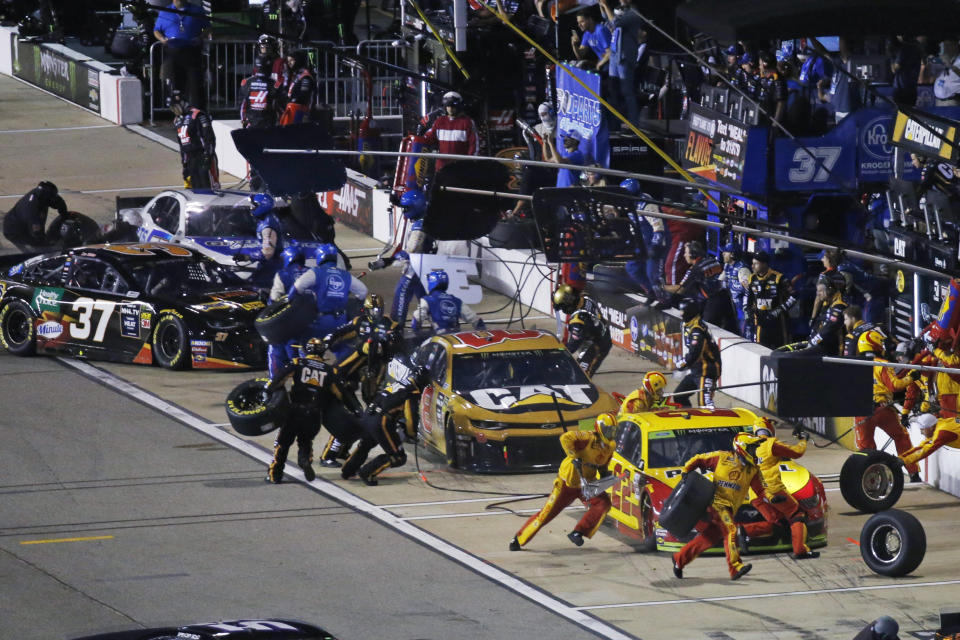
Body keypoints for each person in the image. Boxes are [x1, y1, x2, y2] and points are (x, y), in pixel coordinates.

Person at [510, 413, 617, 551]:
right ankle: (519, 538)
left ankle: (578, 532)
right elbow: (565, 438)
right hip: (567, 483)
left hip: (586, 483)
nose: (611, 434)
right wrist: (573, 454)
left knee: (603, 503)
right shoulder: (587, 438)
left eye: (614, 430)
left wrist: (605, 477)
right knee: (546, 515)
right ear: (600, 428)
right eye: (609, 430)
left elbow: (602, 465)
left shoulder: (610, 447)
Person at [672, 432, 763, 580]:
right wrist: (686, 472)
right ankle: (735, 567)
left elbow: (761, 490)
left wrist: (772, 499)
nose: (755, 452)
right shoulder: (723, 457)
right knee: (731, 529)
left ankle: (679, 559)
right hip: (716, 504)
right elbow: (698, 459)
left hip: (729, 509)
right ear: (743, 448)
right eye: (753, 448)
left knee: (709, 538)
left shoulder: (752, 470)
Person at [263, 337, 354, 484]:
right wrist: (355, 411)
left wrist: (268, 391)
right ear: (323, 352)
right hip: (314, 414)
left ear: (306, 350)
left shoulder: (298, 363)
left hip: (294, 411)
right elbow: (342, 394)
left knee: (283, 444)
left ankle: (275, 475)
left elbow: (279, 379)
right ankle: (305, 459)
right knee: (305, 442)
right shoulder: (329, 370)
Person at [340, 365, 431, 485]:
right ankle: (367, 473)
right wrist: (412, 434)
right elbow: (411, 418)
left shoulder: (398, 384)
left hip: (369, 415)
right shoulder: (412, 392)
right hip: (381, 421)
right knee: (398, 457)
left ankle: (347, 471)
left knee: (365, 445)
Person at [740, 422, 820, 559]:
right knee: (796, 514)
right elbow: (797, 452)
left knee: (777, 523)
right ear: (770, 430)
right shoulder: (771, 444)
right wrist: (803, 440)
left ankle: (745, 531)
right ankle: (800, 550)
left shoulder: (747, 446)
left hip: (755, 494)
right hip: (773, 489)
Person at [853, 327, 923, 482]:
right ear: (875, 343)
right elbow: (895, 385)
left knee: (866, 449)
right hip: (883, 409)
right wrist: (912, 377)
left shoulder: (853, 364)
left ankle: (869, 479)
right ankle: (914, 474)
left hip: (862, 409)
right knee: (901, 437)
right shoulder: (882, 364)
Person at [325, 293, 403, 402]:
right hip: (361, 353)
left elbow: (399, 340)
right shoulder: (360, 321)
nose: (376, 314)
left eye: (378, 310)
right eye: (373, 310)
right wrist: (328, 340)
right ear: (366, 310)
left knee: (371, 393)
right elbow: (341, 332)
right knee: (339, 373)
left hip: (380, 360)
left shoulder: (389, 324)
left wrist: (395, 337)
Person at [288, 243, 368, 342]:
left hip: (320, 321)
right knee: (342, 349)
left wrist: (289, 302)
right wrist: (358, 304)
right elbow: (363, 291)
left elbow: (297, 286)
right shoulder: (345, 275)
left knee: (304, 345)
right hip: (341, 321)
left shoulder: (316, 272)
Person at [662, 241, 736, 332]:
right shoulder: (712, 260)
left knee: (709, 330)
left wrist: (662, 287)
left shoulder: (695, 269)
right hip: (727, 298)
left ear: (692, 254)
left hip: (712, 303)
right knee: (732, 330)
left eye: (686, 253)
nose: (684, 255)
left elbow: (680, 289)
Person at [152, 0, 210, 108]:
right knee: (175, 85)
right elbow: (156, 30)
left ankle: (198, 112)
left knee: (195, 84)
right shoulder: (165, 11)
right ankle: (177, 112)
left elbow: (207, 27)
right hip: (173, 52)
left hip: (192, 52)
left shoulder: (197, 10)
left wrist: (200, 37)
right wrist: (162, 39)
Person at [598, 0, 643, 126]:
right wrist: (601, 5)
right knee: (613, 89)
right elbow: (607, 19)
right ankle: (615, 122)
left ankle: (634, 122)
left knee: (627, 90)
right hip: (614, 55)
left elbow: (616, 23)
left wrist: (606, 5)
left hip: (624, 56)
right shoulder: (621, 11)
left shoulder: (633, 13)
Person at [266, 246, 308, 377]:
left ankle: (276, 380)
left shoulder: (282, 274)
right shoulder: (312, 272)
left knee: (275, 348)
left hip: (288, 321)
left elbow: (274, 299)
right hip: (310, 320)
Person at [672, 298, 721, 409]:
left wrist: (681, 364)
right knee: (679, 396)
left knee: (705, 405)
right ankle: (689, 421)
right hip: (696, 370)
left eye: (682, 311)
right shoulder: (689, 324)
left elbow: (695, 354)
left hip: (707, 371)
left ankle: (712, 425)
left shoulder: (697, 330)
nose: (680, 314)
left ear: (689, 312)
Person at [553, 284, 611, 376]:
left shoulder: (578, 321)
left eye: (563, 307)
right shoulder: (585, 299)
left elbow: (571, 347)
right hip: (600, 335)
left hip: (596, 346)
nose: (563, 310)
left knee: (582, 377)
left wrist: (556, 352)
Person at [168, 90, 219, 190]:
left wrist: (208, 155)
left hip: (203, 156)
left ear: (182, 103)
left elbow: (209, 137)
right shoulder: (177, 121)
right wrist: (185, 164)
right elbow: (182, 145)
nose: (173, 110)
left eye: (175, 107)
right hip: (191, 160)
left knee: (210, 189)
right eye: (171, 108)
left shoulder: (197, 115)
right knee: (195, 190)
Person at [412, 268, 485, 334]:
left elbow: (416, 319)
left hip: (438, 338)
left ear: (431, 283)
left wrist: (417, 333)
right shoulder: (456, 300)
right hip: (455, 337)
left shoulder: (427, 300)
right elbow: (476, 320)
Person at [234, 193, 283, 288]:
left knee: (256, 288)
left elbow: (268, 254)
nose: (251, 208)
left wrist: (246, 257)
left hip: (272, 267)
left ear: (263, 206)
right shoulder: (268, 218)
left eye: (254, 206)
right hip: (273, 264)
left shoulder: (268, 226)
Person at [421, 91, 480, 172]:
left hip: (461, 169)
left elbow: (474, 145)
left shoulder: (467, 122)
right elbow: (429, 138)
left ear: (459, 106)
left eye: (453, 106)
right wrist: (419, 138)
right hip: (441, 168)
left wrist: (469, 163)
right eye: (448, 106)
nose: (450, 109)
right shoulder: (439, 121)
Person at [3, 181, 67, 251]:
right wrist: (47, 246)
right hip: (14, 231)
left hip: (25, 224)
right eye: (52, 198)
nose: (53, 200)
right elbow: (37, 234)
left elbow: (59, 202)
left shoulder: (43, 194)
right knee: (34, 251)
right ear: (46, 198)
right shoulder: (32, 209)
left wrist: (64, 216)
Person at [806, 271, 848, 356]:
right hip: (823, 347)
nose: (818, 294)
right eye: (817, 291)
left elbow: (830, 327)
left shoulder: (839, 305)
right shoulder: (827, 302)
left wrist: (814, 341)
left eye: (821, 291)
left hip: (835, 351)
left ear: (829, 290)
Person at [240, 55, 280, 130]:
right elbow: (278, 105)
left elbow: (242, 104)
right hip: (268, 124)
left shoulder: (246, 82)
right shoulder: (274, 84)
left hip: (251, 123)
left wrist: (243, 119)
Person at [278, 49, 316, 126]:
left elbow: (303, 96)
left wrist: (290, 100)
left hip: (300, 111)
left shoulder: (305, 77)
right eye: (288, 61)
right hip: (291, 110)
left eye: (292, 60)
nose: (289, 63)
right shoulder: (294, 75)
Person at [720, 242, 749, 335]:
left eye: (726, 252)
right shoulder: (727, 266)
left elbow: (749, 290)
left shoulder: (742, 269)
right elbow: (719, 281)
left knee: (744, 334)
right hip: (733, 307)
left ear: (732, 254)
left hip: (742, 309)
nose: (723, 253)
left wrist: (746, 307)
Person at [890, 35, 922, 107]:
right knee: (910, 115)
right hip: (912, 89)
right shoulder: (917, 48)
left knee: (901, 115)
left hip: (901, 90)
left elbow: (894, 69)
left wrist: (892, 59)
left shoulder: (904, 49)